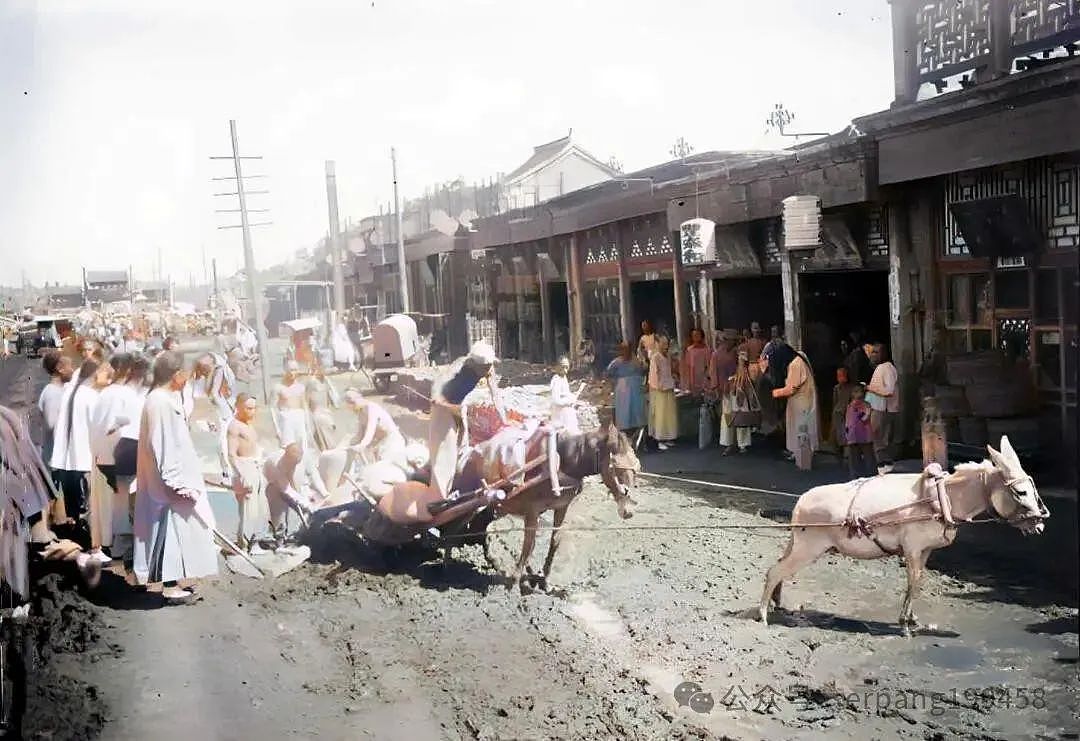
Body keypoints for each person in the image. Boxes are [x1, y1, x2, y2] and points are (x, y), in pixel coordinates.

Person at [132, 350, 218, 605]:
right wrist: (175, 482)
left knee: (179, 533)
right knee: (169, 533)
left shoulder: (165, 398)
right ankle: (169, 586)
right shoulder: (159, 402)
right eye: (186, 372)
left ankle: (175, 580)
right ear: (176, 375)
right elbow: (163, 444)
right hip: (169, 482)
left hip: (173, 479)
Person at [428, 341, 501, 499]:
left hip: (460, 407)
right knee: (445, 452)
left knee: (464, 445)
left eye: (490, 365)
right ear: (475, 366)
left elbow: (495, 393)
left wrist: (502, 417)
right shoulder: (459, 377)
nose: (489, 369)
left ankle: (460, 477)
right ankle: (440, 496)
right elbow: (441, 399)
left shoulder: (487, 368)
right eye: (486, 366)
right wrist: (455, 411)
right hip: (444, 410)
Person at [88, 354, 132, 563]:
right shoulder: (124, 394)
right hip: (119, 455)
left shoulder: (103, 394)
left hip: (102, 455)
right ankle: (118, 546)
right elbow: (120, 422)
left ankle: (109, 542)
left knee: (107, 503)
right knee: (121, 502)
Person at [50, 359, 101, 525]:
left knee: (72, 504)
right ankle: (88, 539)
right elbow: (98, 426)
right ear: (94, 375)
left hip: (66, 458)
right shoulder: (91, 396)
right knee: (86, 503)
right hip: (84, 457)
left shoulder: (68, 392)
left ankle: (74, 534)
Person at [227, 393, 270, 552]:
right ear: (238, 407)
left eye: (254, 408)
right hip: (244, 467)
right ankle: (245, 544)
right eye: (248, 408)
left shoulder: (249, 425)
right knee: (248, 507)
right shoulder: (234, 426)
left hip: (255, 465)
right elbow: (231, 454)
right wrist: (241, 473)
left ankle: (256, 540)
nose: (252, 411)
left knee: (260, 506)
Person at [768, 346, 819, 465]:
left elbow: (791, 389)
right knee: (806, 426)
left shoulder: (795, 365)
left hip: (799, 402)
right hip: (807, 398)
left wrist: (773, 393)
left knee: (799, 428)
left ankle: (800, 455)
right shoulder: (802, 356)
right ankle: (804, 452)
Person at [192, 352, 237, 482]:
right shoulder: (209, 374)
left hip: (223, 410)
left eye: (205, 365)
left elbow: (213, 393)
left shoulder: (219, 370)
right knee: (220, 441)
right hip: (218, 410)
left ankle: (228, 472)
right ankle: (226, 471)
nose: (203, 367)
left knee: (223, 441)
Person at [866, 343, 900, 473]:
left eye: (876, 352)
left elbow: (889, 391)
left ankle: (883, 465)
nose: (873, 355)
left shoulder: (887, 368)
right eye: (872, 352)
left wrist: (870, 388)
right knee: (878, 438)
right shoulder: (881, 367)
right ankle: (882, 465)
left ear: (884, 354)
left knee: (879, 438)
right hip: (879, 408)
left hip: (883, 409)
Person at [37, 350, 74, 469]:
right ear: (60, 368)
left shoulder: (62, 390)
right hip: (57, 464)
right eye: (70, 366)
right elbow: (52, 425)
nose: (72, 370)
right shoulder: (52, 394)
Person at [719, 351, 759, 455]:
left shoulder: (749, 368)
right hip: (730, 394)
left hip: (741, 395)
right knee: (728, 418)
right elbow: (724, 379)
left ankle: (742, 444)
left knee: (741, 418)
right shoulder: (728, 364)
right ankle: (729, 444)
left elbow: (753, 381)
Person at [605, 342, 646, 434]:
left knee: (637, 412)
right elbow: (607, 374)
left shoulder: (636, 361)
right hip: (623, 390)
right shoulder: (616, 362)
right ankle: (624, 433)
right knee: (624, 412)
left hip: (635, 389)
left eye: (627, 349)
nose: (625, 352)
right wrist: (614, 382)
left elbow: (643, 371)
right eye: (623, 350)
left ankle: (638, 434)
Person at [647, 336, 678, 450]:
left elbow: (670, 370)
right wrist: (658, 386)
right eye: (663, 344)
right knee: (660, 415)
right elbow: (653, 374)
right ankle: (659, 439)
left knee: (669, 415)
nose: (666, 346)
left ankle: (668, 437)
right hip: (659, 390)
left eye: (667, 344)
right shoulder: (655, 357)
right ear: (658, 344)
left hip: (669, 387)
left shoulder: (668, 356)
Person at [274, 360, 310, 453]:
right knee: (287, 447)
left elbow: (304, 405)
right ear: (285, 371)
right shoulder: (278, 387)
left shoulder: (301, 387)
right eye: (289, 370)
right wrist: (277, 428)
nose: (292, 373)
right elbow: (273, 409)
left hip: (299, 416)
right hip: (285, 417)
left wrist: (307, 423)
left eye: (294, 370)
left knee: (302, 446)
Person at [306, 364, 341, 451]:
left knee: (329, 432)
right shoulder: (312, 382)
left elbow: (330, 398)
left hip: (326, 411)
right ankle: (326, 451)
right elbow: (308, 398)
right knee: (322, 436)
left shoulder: (326, 381)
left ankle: (328, 451)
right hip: (318, 413)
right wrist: (310, 413)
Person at [844, 384, 875, 478]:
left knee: (867, 457)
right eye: (855, 392)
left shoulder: (864, 405)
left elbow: (864, 418)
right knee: (855, 458)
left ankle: (870, 475)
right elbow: (848, 421)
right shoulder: (850, 406)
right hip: (855, 435)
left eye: (858, 391)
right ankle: (856, 476)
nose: (857, 394)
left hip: (863, 435)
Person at [548, 356, 580, 433]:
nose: (565, 370)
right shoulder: (556, 380)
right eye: (563, 367)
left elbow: (565, 393)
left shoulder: (563, 378)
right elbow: (556, 400)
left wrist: (571, 396)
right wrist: (569, 401)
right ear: (557, 367)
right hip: (560, 415)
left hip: (566, 414)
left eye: (567, 367)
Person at [831, 366, 857, 454]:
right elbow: (835, 401)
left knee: (846, 434)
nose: (840, 378)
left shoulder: (852, 388)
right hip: (838, 413)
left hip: (848, 414)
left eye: (842, 376)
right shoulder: (836, 388)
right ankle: (838, 450)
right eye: (838, 376)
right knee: (838, 433)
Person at [680, 328, 710, 396]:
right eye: (694, 335)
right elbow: (688, 365)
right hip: (693, 376)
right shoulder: (689, 350)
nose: (696, 337)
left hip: (704, 376)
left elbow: (708, 363)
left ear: (701, 336)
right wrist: (688, 381)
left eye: (697, 335)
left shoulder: (706, 349)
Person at [710, 332, 738, 398]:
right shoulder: (716, 355)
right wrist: (715, 386)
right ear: (725, 341)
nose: (733, 342)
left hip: (733, 384)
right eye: (731, 340)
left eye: (734, 340)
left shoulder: (734, 353)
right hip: (721, 384)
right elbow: (713, 372)